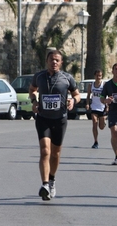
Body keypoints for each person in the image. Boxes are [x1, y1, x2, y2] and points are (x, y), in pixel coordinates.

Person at [29, 50, 80, 201]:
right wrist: (34, 101)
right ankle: (44, 185)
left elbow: (76, 94)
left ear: (61, 62)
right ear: (47, 61)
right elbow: (32, 90)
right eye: (52, 59)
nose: (54, 62)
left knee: (55, 153)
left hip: (60, 119)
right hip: (43, 118)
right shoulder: (39, 76)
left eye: (57, 60)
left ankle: (51, 179)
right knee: (45, 151)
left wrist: (73, 101)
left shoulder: (67, 78)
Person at [86, 69, 107, 149]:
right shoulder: (91, 85)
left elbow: (107, 95)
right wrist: (88, 104)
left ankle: (103, 122)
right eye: (97, 75)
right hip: (94, 106)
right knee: (94, 123)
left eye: (100, 76)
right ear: (94, 76)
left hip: (102, 107)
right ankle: (95, 141)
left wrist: (107, 105)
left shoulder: (104, 85)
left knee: (101, 127)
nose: (98, 77)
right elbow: (88, 96)